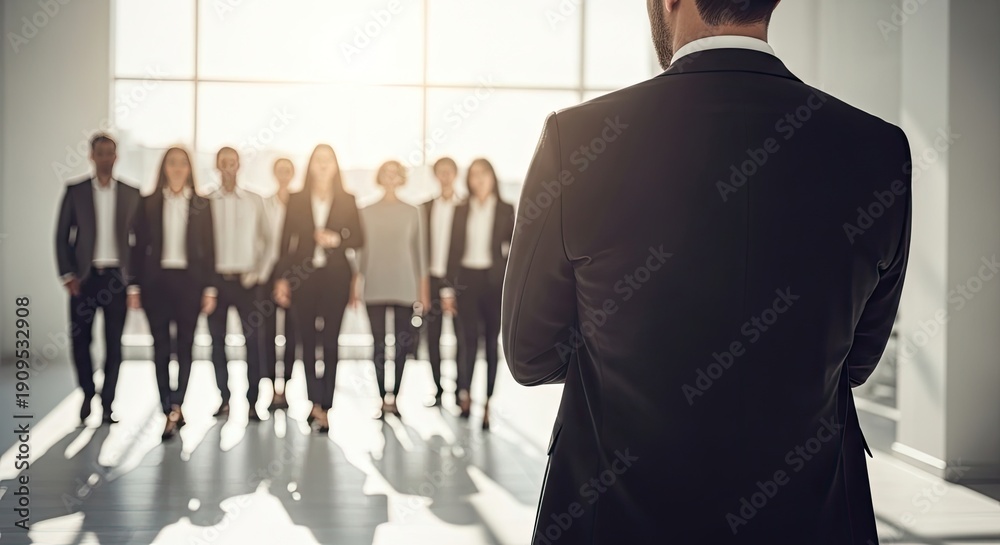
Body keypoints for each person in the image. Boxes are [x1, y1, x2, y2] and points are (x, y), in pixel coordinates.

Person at [500, 0, 913, 543]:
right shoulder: (878, 149)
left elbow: (531, 355)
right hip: (809, 518)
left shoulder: (576, 139)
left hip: (616, 518)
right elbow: (857, 361)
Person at [127, 147, 217, 440]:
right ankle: (168, 407)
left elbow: (210, 247)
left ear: (189, 169)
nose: (177, 169)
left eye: (182, 164)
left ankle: (178, 403)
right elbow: (137, 247)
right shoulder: (148, 202)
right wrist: (135, 286)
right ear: (164, 168)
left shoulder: (202, 203)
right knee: (161, 348)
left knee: (186, 347)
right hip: (157, 283)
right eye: (172, 163)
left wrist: (210, 288)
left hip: (190, 283)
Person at [273, 144, 364, 433]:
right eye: (318, 160)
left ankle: (326, 405)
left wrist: (337, 240)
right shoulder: (297, 199)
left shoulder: (347, 199)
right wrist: (282, 279)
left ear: (336, 166)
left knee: (330, 342)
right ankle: (314, 402)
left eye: (328, 160)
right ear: (310, 165)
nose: (323, 165)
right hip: (304, 278)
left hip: (336, 278)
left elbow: (359, 238)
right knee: (307, 342)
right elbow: (285, 242)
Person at [54, 133, 141, 425]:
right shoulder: (75, 190)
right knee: (81, 341)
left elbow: (139, 242)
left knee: (114, 344)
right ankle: (88, 393)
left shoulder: (131, 193)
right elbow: (62, 235)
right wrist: (68, 274)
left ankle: (108, 403)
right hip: (85, 279)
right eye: (100, 153)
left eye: (111, 152)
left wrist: (134, 282)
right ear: (91, 156)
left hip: (117, 278)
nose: (106, 158)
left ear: (117, 156)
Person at [355, 160, 429, 418]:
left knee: (401, 345)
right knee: (377, 344)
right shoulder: (364, 210)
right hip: (374, 284)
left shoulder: (413, 211)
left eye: (395, 173)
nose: (390, 177)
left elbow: (420, 253)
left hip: (405, 285)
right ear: (379, 176)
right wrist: (356, 284)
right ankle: (379, 397)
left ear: (401, 178)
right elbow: (361, 253)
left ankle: (394, 397)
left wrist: (423, 292)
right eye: (386, 172)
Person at [446, 158, 514, 429]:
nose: (479, 179)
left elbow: (513, 251)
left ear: (492, 176)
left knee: (491, 342)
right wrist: (448, 288)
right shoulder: (461, 209)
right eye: (474, 175)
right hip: (466, 280)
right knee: (467, 341)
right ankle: (465, 395)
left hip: (494, 282)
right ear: (469, 180)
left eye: (484, 174)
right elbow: (451, 249)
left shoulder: (506, 209)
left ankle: (487, 402)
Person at [206, 147, 272, 422]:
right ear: (217, 167)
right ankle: (224, 399)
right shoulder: (206, 201)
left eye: (233, 163)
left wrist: (258, 273)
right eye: (224, 163)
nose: (229, 168)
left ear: (239, 165)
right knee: (216, 343)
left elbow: (269, 242)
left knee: (254, 343)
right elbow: (201, 245)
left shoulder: (255, 200)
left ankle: (254, 403)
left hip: (248, 283)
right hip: (217, 283)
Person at [420, 157, 462, 408]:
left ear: (455, 174)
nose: (445, 176)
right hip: (431, 280)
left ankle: (459, 391)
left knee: (461, 338)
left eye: (449, 171)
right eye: (440, 172)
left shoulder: (464, 207)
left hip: (458, 283)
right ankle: (437, 389)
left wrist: (452, 287)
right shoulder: (424, 208)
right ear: (436, 176)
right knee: (431, 337)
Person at [260, 157, 299, 412]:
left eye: (288, 170)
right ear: (274, 173)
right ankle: (272, 387)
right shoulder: (264, 203)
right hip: (266, 271)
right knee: (267, 332)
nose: (283, 174)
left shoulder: (300, 204)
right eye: (279, 170)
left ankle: (286, 386)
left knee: (293, 332)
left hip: (296, 272)